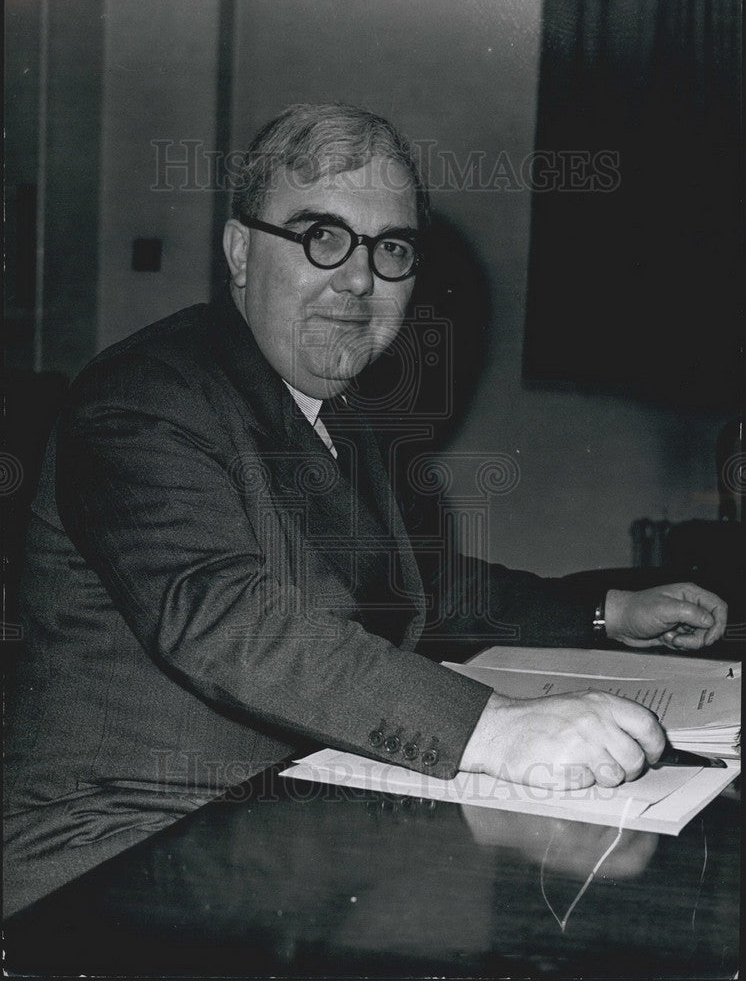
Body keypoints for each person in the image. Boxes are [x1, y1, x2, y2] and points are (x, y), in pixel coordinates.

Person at [4, 102, 727, 916]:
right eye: (321, 236)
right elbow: (222, 617)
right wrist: (497, 729)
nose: (359, 279)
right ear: (241, 253)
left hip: (285, 820)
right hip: (112, 849)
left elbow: (415, 585)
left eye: (391, 249)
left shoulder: (337, 411)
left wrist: (603, 610)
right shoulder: (144, 399)